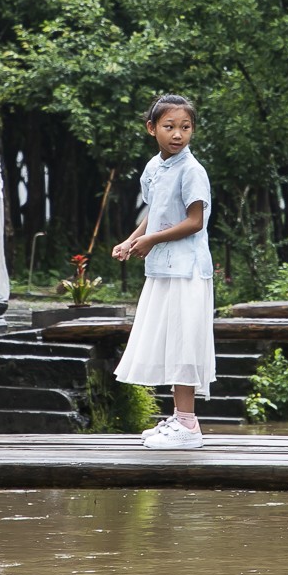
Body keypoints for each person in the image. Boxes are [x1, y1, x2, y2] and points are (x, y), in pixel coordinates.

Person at [111, 94, 216, 450]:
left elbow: (195, 221)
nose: (178, 134)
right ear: (151, 128)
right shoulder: (154, 168)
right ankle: (178, 418)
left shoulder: (192, 170)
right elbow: (154, 213)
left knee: (185, 341)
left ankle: (188, 425)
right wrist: (131, 240)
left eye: (185, 127)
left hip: (188, 270)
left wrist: (151, 239)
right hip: (163, 269)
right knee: (172, 340)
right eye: (169, 127)